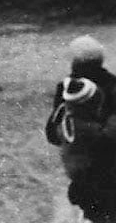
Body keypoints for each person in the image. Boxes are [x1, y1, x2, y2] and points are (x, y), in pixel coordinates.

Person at [45, 35, 116, 223]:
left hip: (83, 168)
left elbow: (52, 133)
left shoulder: (68, 88)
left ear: (75, 62)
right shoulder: (113, 84)